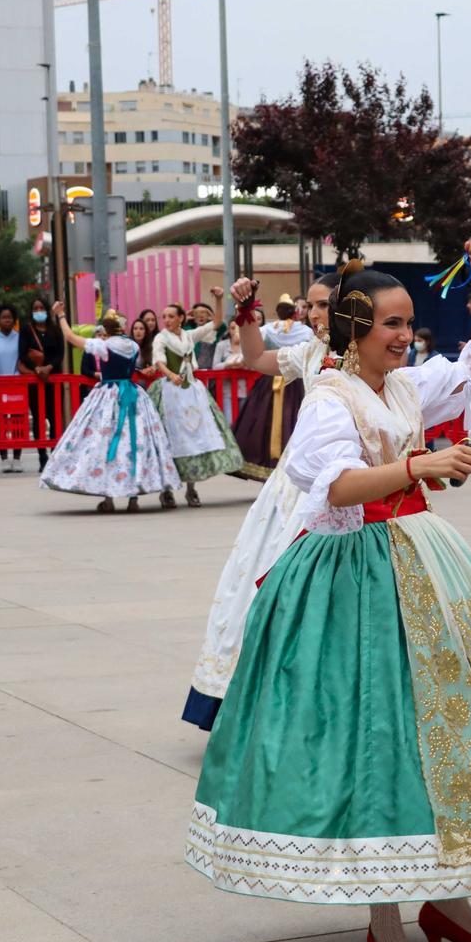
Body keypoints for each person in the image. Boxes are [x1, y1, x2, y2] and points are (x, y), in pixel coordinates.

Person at [187, 247, 471, 942]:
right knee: (375, 736)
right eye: (392, 324)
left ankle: (448, 900)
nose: (405, 335)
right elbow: (336, 485)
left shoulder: (403, 386)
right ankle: (386, 918)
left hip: (417, 560)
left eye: (407, 322)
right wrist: (419, 466)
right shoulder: (330, 395)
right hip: (349, 575)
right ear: (354, 327)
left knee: (440, 730)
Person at [183, 277, 333, 728]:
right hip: (296, 487)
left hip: (353, 482)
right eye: (312, 306)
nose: (315, 313)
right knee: (259, 583)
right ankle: (253, 705)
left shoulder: (375, 355)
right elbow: (253, 357)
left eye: (325, 305)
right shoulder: (310, 352)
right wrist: (246, 312)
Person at [40, 305, 179, 512]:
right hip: (132, 395)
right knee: (135, 443)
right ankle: (133, 497)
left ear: (106, 328)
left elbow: (69, 336)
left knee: (104, 443)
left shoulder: (103, 346)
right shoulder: (132, 346)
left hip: (108, 395)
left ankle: (108, 497)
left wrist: (61, 315)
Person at [149, 302, 244, 507]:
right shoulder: (161, 338)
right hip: (169, 392)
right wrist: (172, 375)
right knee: (169, 437)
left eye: (171, 316)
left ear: (181, 318)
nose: (166, 320)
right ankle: (167, 490)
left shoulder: (188, 335)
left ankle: (191, 488)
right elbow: (159, 361)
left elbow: (216, 324)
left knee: (194, 434)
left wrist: (218, 300)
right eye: (164, 316)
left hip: (191, 391)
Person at [231, 291, 321, 481]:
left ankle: (269, 465)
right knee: (293, 420)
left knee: (263, 422)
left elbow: (251, 346)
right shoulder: (304, 331)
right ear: (293, 312)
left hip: (270, 378)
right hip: (294, 381)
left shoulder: (268, 328)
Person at [18, 295, 65, 469]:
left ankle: (55, 455)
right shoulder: (26, 330)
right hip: (35, 380)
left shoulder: (55, 329)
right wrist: (37, 369)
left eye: (41, 308)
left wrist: (49, 367)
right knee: (38, 419)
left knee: (55, 418)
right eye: (35, 309)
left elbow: (61, 353)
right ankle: (42, 456)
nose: (39, 312)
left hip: (53, 379)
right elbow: (22, 353)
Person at [0, 304, 25, 473]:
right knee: (0, 421)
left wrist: (16, 376)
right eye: (3, 317)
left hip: (17, 385)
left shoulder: (20, 338)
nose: (7, 320)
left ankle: (16, 458)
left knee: (18, 421)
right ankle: (3, 458)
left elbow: (22, 360)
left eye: (9, 317)